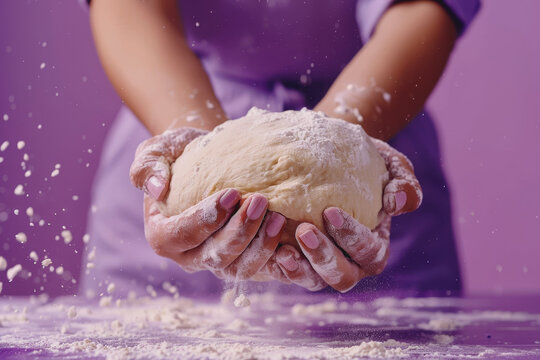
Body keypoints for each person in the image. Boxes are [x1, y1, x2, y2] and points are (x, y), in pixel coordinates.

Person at [82, 0, 480, 298]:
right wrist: (196, 143)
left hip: (374, 121)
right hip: (173, 105)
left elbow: (421, 8)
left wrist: (340, 146)